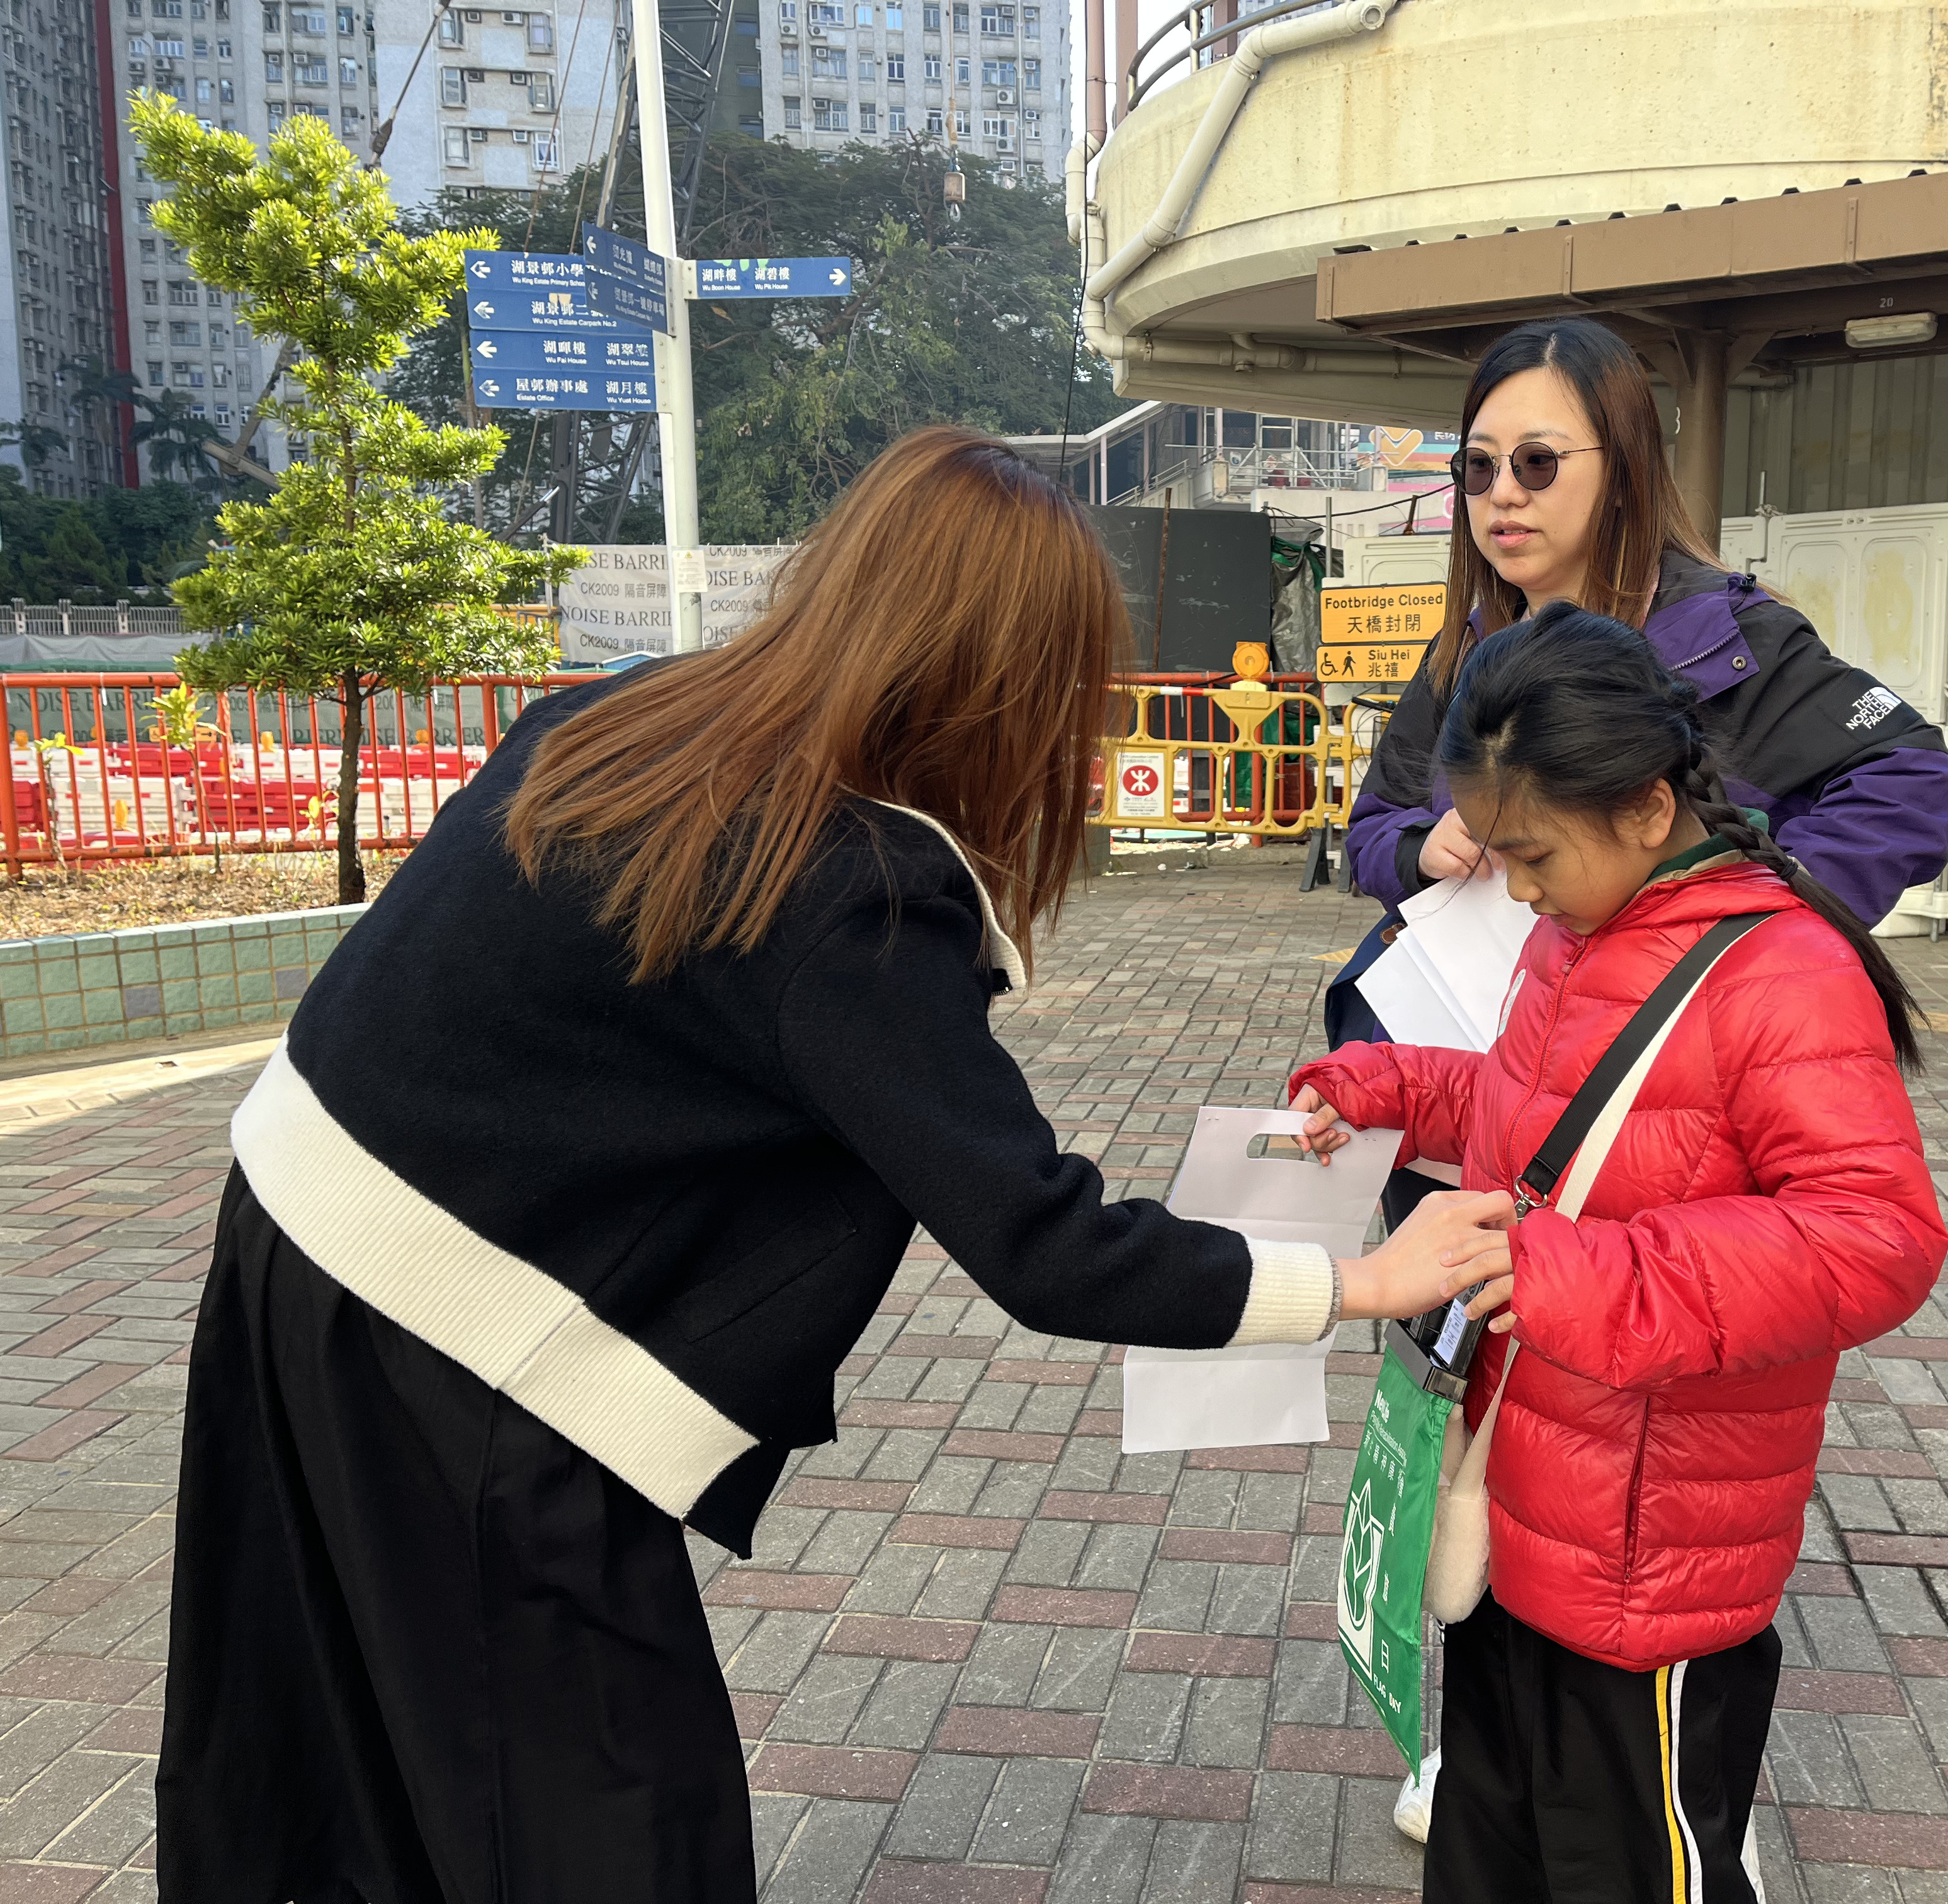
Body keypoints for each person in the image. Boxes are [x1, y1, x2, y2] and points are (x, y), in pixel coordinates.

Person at [155, 426, 1514, 1904]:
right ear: (1001, 684)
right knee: (603, 1809)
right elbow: (1045, 1243)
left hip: (290, 1230)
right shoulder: (845, 891)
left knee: (342, 1750)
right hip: (455, 1346)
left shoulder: (632, 716)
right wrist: (1362, 1278)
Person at [1290, 606, 1948, 1904]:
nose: (1513, 887)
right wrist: (1387, 1089)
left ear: (1648, 808)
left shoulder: (1782, 972)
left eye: (1531, 853)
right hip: (1520, 1503)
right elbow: (1538, 1114)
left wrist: (1573, 1273)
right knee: (1491, 1849)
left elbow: (1877, 1235)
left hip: (1648, 1563)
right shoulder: (1579, 931)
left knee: (1629, 1865)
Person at [1327, 315, 1948, 1055]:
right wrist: (1417, 851)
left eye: (1537, 462)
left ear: (1626, 474)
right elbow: (1374, 823)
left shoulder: (1730, 638)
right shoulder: (1464, 652)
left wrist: (1755, 933)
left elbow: (1909, 775)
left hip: (1653, 1070)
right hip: (1466, 1059)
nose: (1502, 493)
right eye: (1478, 466)